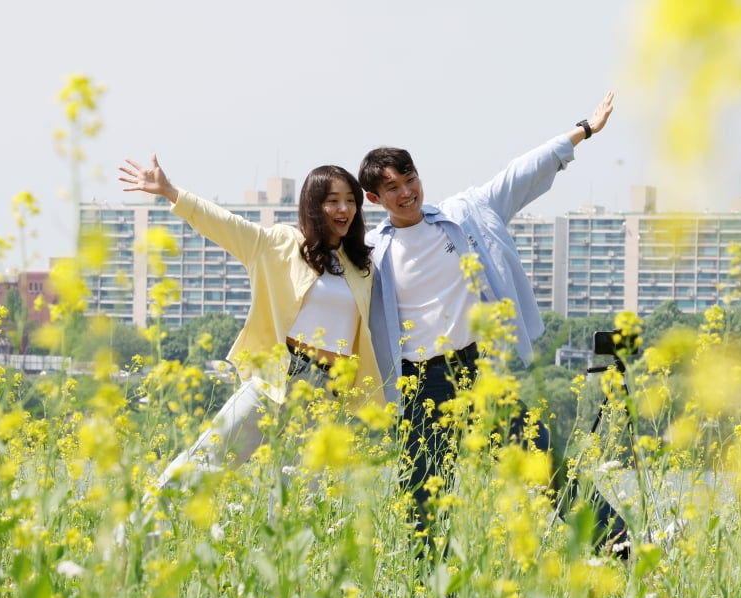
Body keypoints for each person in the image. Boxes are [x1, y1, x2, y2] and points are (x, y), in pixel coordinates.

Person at [358, 92, 628, 556]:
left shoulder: (463, 216)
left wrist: (583, 130)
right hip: (417, 385)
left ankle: (618, 545)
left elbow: (520, 173)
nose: (407, 192)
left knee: (545, 460)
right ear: (374, 198)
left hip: (473, 372)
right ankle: (428, 597)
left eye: (410, 179)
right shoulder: (369, 251)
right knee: (422, 498)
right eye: (393, 188)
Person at [117, 155, 384, 518]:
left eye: (350, 200)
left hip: (326, 394)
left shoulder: (361, 266)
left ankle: (285, 574)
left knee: (300, 503)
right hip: (278, 376)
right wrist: (170, 192)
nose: (344, 209)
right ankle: (131, 540)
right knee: (206, 464)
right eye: (333, 200)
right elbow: (227, 225)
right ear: (313, 205)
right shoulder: (280, 244)